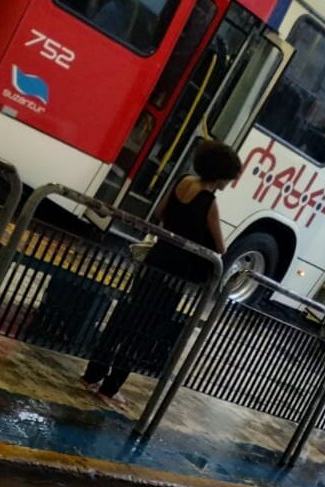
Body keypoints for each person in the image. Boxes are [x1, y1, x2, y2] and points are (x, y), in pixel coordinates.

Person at [82, 139, 242, 408]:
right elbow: (220, 246)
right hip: (175, 276)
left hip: (155, 261)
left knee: (127, 316)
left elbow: (159, 212)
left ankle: (92, 374)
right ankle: (110, 389)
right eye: (229, 177)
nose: (229, 183)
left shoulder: (182, 181)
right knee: (143, 331)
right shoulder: (208, 201)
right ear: (221, 174)